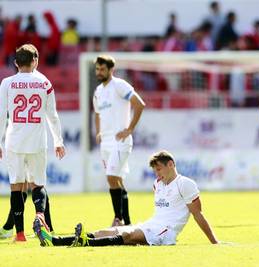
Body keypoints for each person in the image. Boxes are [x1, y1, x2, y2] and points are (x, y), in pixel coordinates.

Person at [34, 150, 219, 246]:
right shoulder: (158, 185)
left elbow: (198, 215)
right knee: (107, 231)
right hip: (151, 224)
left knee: (127, 235)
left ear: (171, 164)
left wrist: (215, 242)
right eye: (155, 170)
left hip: (166, 232)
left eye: (159, 169)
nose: (157, 173)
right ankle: (54, 240)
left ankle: (84, 242)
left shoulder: (185, 184)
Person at [0, 44, 65, 241]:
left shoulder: (7, 83)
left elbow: (2, 115)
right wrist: (58, 141)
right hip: (37, 142)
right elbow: (52, 115)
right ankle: (40, 217)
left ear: (16, 63)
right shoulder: (44, 83)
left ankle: (19, 234)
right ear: (35, 61)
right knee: (38, 184)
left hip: (15, 142)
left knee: (16, 186)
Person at [93, 55, 145, 227]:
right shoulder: (98, 91)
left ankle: (118, 219)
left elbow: (139, 104)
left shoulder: (119, 85)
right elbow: (97, 113)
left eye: (102, 69)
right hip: (106, 143)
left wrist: (129, 129)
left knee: (111, 177)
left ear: (110, 70)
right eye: (97, 69)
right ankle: (128, 222)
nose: (99, 72)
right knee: (118, 181)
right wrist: (98, 131)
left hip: (120, 141)